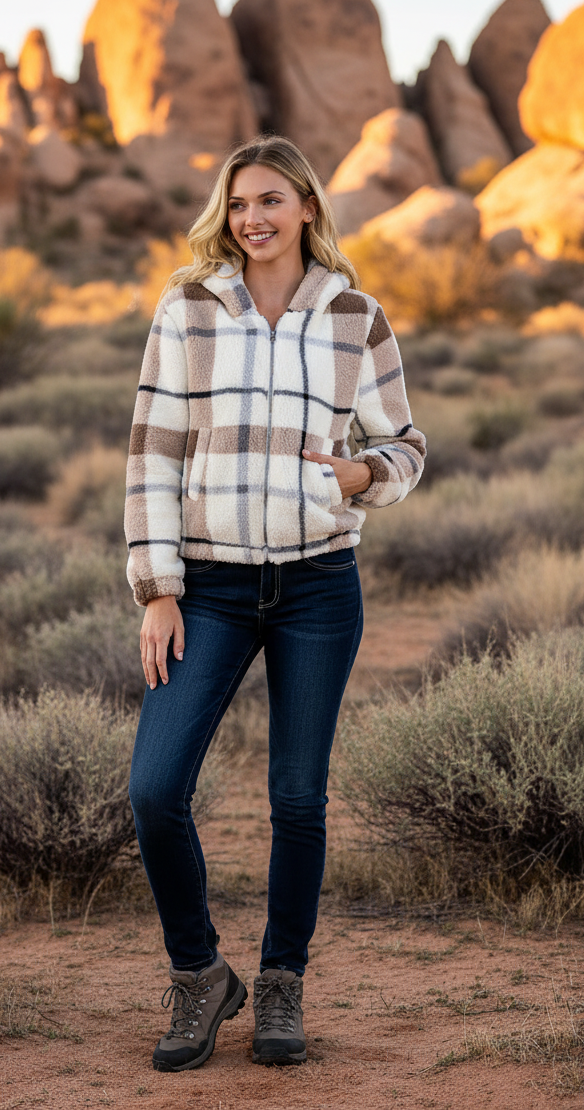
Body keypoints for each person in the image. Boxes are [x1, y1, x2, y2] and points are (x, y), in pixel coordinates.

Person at [125, 135, 425, 1073]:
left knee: (298, 798)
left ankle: (283, 981)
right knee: (154, 790)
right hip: (207, 588)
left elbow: (408, 444)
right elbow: (153, 453)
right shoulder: (188, 308)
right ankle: (199, 975)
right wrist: (158, 588)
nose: (253, 219)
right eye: (239, 203)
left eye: (271, 201)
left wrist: (361, 472)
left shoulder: (355, 316)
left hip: (317, 588)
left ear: (305, 206)